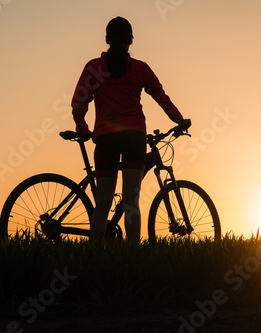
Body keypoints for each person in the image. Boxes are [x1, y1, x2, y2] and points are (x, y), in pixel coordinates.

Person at [71, 16, 189, 243]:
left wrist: (83, 128)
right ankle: (132, 257)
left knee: (103, 203)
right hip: (134, 137)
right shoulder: (140, 68)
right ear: (131, 40)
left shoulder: (93, 67)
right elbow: (161, 97)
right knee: (131, 202)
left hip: (105, 139)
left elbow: (79, 103)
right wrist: (179, 120)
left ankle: (94, 258)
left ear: (106, 39)